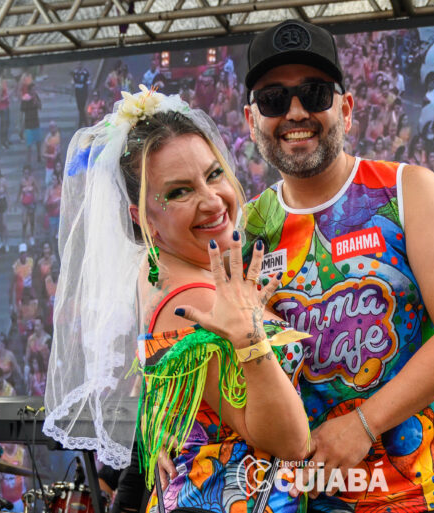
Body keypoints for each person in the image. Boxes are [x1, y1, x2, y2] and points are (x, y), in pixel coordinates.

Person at [240, 20, 434, 511]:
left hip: (407, 494)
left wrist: (363, 424)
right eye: (273, 99)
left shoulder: (408, 191)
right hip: (292, 499)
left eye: (315, 93)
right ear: (252, 120)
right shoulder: (248, 227)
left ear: (347, 109)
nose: (296, 112)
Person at [44, 85, 311, 513]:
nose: (212, 201)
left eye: (214, 174)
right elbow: (291, 442)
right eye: (179, 192)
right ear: (142, 217)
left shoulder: (159, 269)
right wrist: (252, 340)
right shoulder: (197, 301)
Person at [20, 83, 42, 166]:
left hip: (36, 122)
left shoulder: (36, 97)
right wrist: (21, 126)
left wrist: (36, 101)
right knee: (29, 145)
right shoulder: (25, 98)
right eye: (33, 89)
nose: (34, 91)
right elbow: (22, 112)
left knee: (38, 141)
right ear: (29, 90)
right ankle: (28, 162)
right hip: (28, 124)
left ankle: (39, 156)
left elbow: (40, 107)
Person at [17, 165, 39, 245]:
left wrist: (37, 197)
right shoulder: (21, 181)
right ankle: (23, 238)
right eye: (25, 173)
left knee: (32, 220)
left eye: (27, 173)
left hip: (32, 203)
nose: (26, 174)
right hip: (24, 203)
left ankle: (32, 236)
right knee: (24, 221)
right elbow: (19, 192)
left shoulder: (32, 180)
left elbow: (37, 189)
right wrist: (17, 201)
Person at [72, 62, 91, 127]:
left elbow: (88, 82)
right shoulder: (75, 72)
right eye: (78, 64)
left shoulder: (85, 72)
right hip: (77, 91)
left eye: (80, 64)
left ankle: (81, 124)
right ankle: (85, 123)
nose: (79, 65)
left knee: (82, 108)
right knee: (80, 108)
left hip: (83, 91)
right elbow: (73, 82)